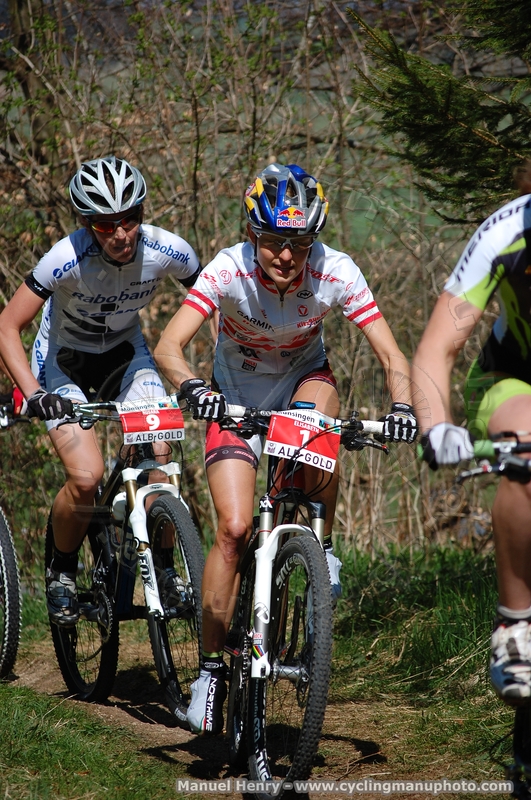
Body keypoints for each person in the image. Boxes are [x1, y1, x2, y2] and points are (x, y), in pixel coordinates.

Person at [154, 162, 417, 735]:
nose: (286, 255)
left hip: (303, 382)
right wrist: (193, 388)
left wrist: (402, 407)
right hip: (234, 399)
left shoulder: (335, 271)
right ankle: (210, 673)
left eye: (299, 243)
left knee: (321, 420)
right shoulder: (228, 269)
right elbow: (169, 345)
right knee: (233, 530)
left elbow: (391, 354)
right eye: (274, 240)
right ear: (253, 234)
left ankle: (320, 545)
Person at [0, 155, 201, 626]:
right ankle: (62, 570)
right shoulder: (65, 257)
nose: (122, 234)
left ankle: (165, 567)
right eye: (106, 225)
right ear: (87, 224)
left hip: (126, 355)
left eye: (130, 219)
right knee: (87, 477)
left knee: (160, 457)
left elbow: (212, 303)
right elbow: (7, 325)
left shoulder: (169, 250)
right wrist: (32, 393)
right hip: (63, 362)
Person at [412, 180, 531, 705]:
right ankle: (516, 625)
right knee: (527, 447)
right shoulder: (506, 233)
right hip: (512, 380)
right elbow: (437, 348)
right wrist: (437, 425)